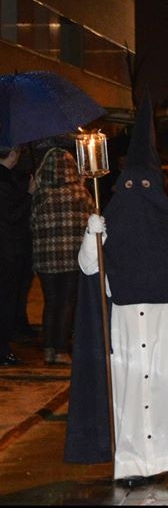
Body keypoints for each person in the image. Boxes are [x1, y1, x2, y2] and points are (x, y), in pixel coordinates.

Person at [64, 93, 168, 487]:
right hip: (124, 322)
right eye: (131, 184)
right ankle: (134, 462)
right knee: (131, 395)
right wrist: (92, 235)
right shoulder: (110, 219)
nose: (138, 190)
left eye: (146, 184)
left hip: (167, 323)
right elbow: (90, 269)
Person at [30, 147, 95, 364]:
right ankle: (60, 350)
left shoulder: (40, 194)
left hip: (46, 258)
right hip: (72, 257)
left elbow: (31, 224)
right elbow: (93, 222)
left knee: (51, 302)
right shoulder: (81, 194)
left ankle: (48, 347)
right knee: (67, 303)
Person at [0, 145, 34, 366]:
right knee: (6, 301)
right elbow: (10, 214)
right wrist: (29, 194)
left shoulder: (8, 178)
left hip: (7, 250)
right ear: (11, 154)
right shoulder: (4, 181)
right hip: (7, 252)